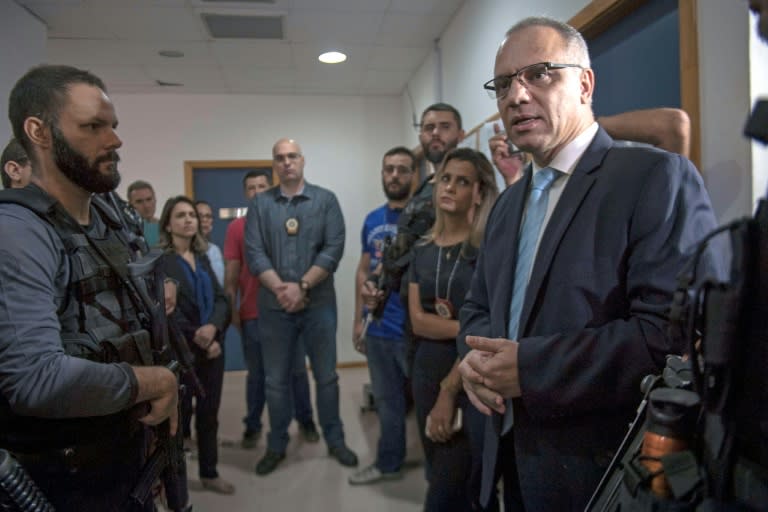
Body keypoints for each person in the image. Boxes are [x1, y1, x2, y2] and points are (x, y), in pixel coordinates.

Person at [457, 16, 719, 511]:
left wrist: (532, 369)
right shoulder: (508, 204)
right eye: (504, 84)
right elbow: (478, 307)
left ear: (585, 83)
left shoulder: (653, 178)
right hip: (509, 457)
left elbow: (670, 338)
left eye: (540, 74)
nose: (517, 96)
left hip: (601, 471)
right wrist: (469, 358)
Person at [0, 64, 178, 510]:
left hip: (126, 462)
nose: (114, 140)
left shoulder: (108, 218)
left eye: (113, 126)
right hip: (64, 482)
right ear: (38, 132)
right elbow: (35, 379)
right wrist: (152, 381)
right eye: (93, 127)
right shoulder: (19, 232)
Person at [245, 138, 358, 475]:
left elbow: (333, 248)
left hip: (318, 304)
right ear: (274, 164)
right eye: (279, 158)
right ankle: (276, 444)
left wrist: (303, 285)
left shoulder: (326, 201)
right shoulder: (260, 205)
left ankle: (335, 440)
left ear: (302, 160)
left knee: (326, 377)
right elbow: (255, 252)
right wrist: (283, 290)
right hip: (274, 307)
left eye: (292, 156)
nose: (286, 162)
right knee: (276, 381)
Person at [410, 148, 498, 511]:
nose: (449, 187)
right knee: (437, 470)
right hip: (426, 370)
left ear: (478, 193)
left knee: (464, 489)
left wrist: (449, 391)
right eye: (445, 179)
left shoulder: (487, 250)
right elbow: (418, 321)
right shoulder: (422, 248)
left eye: (462, 182)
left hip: (469, 375)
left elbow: (489, 329)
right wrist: (465, 327)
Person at [223, 169, 318, 449]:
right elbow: (231, 276)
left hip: (290, 312)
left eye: (261, 186)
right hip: (254, 315)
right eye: (250, 188)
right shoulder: (236, 229)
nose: (256, 192)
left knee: (297, 372)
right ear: (245, 194)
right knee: (258, 376)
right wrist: (234, 311)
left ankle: (307, 421)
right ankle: (252, 425)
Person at [348, 146, 416, 485]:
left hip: (415, 331)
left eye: (402, 169)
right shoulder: (372, 219)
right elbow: (363, 271)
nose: (394, 175)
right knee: (387, 404)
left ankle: (444, 477)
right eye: (389, 169)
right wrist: (359, 319)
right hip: (379, 328)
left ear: (414, 175)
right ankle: (389, 464)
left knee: (428, 404)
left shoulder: (425, 216)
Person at [159, 196, 234, 495]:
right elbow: (166, 312)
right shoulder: (161, 262)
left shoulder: (202, 256)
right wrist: (199, 337)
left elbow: (221, 299)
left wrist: (213, 329)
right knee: (176, 421)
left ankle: (209, 473)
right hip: (181, 351)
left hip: (212, 347)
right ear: (168, 223)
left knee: (209, 414)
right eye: (181, 215)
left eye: (192, 215)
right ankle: (174, 485)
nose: (189, 220)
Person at [195, 200, 225, 286]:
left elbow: (220, 283)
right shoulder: (184, 250)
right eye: (200, 216)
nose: (204, 220)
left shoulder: (214, 250)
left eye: (208, 216)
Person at [128, 179, 160, 247]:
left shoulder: (168, 228)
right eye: (139, 201)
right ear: (130, 205)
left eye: (149, 199)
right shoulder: (127, 232)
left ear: (155, 200)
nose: (146, 206)